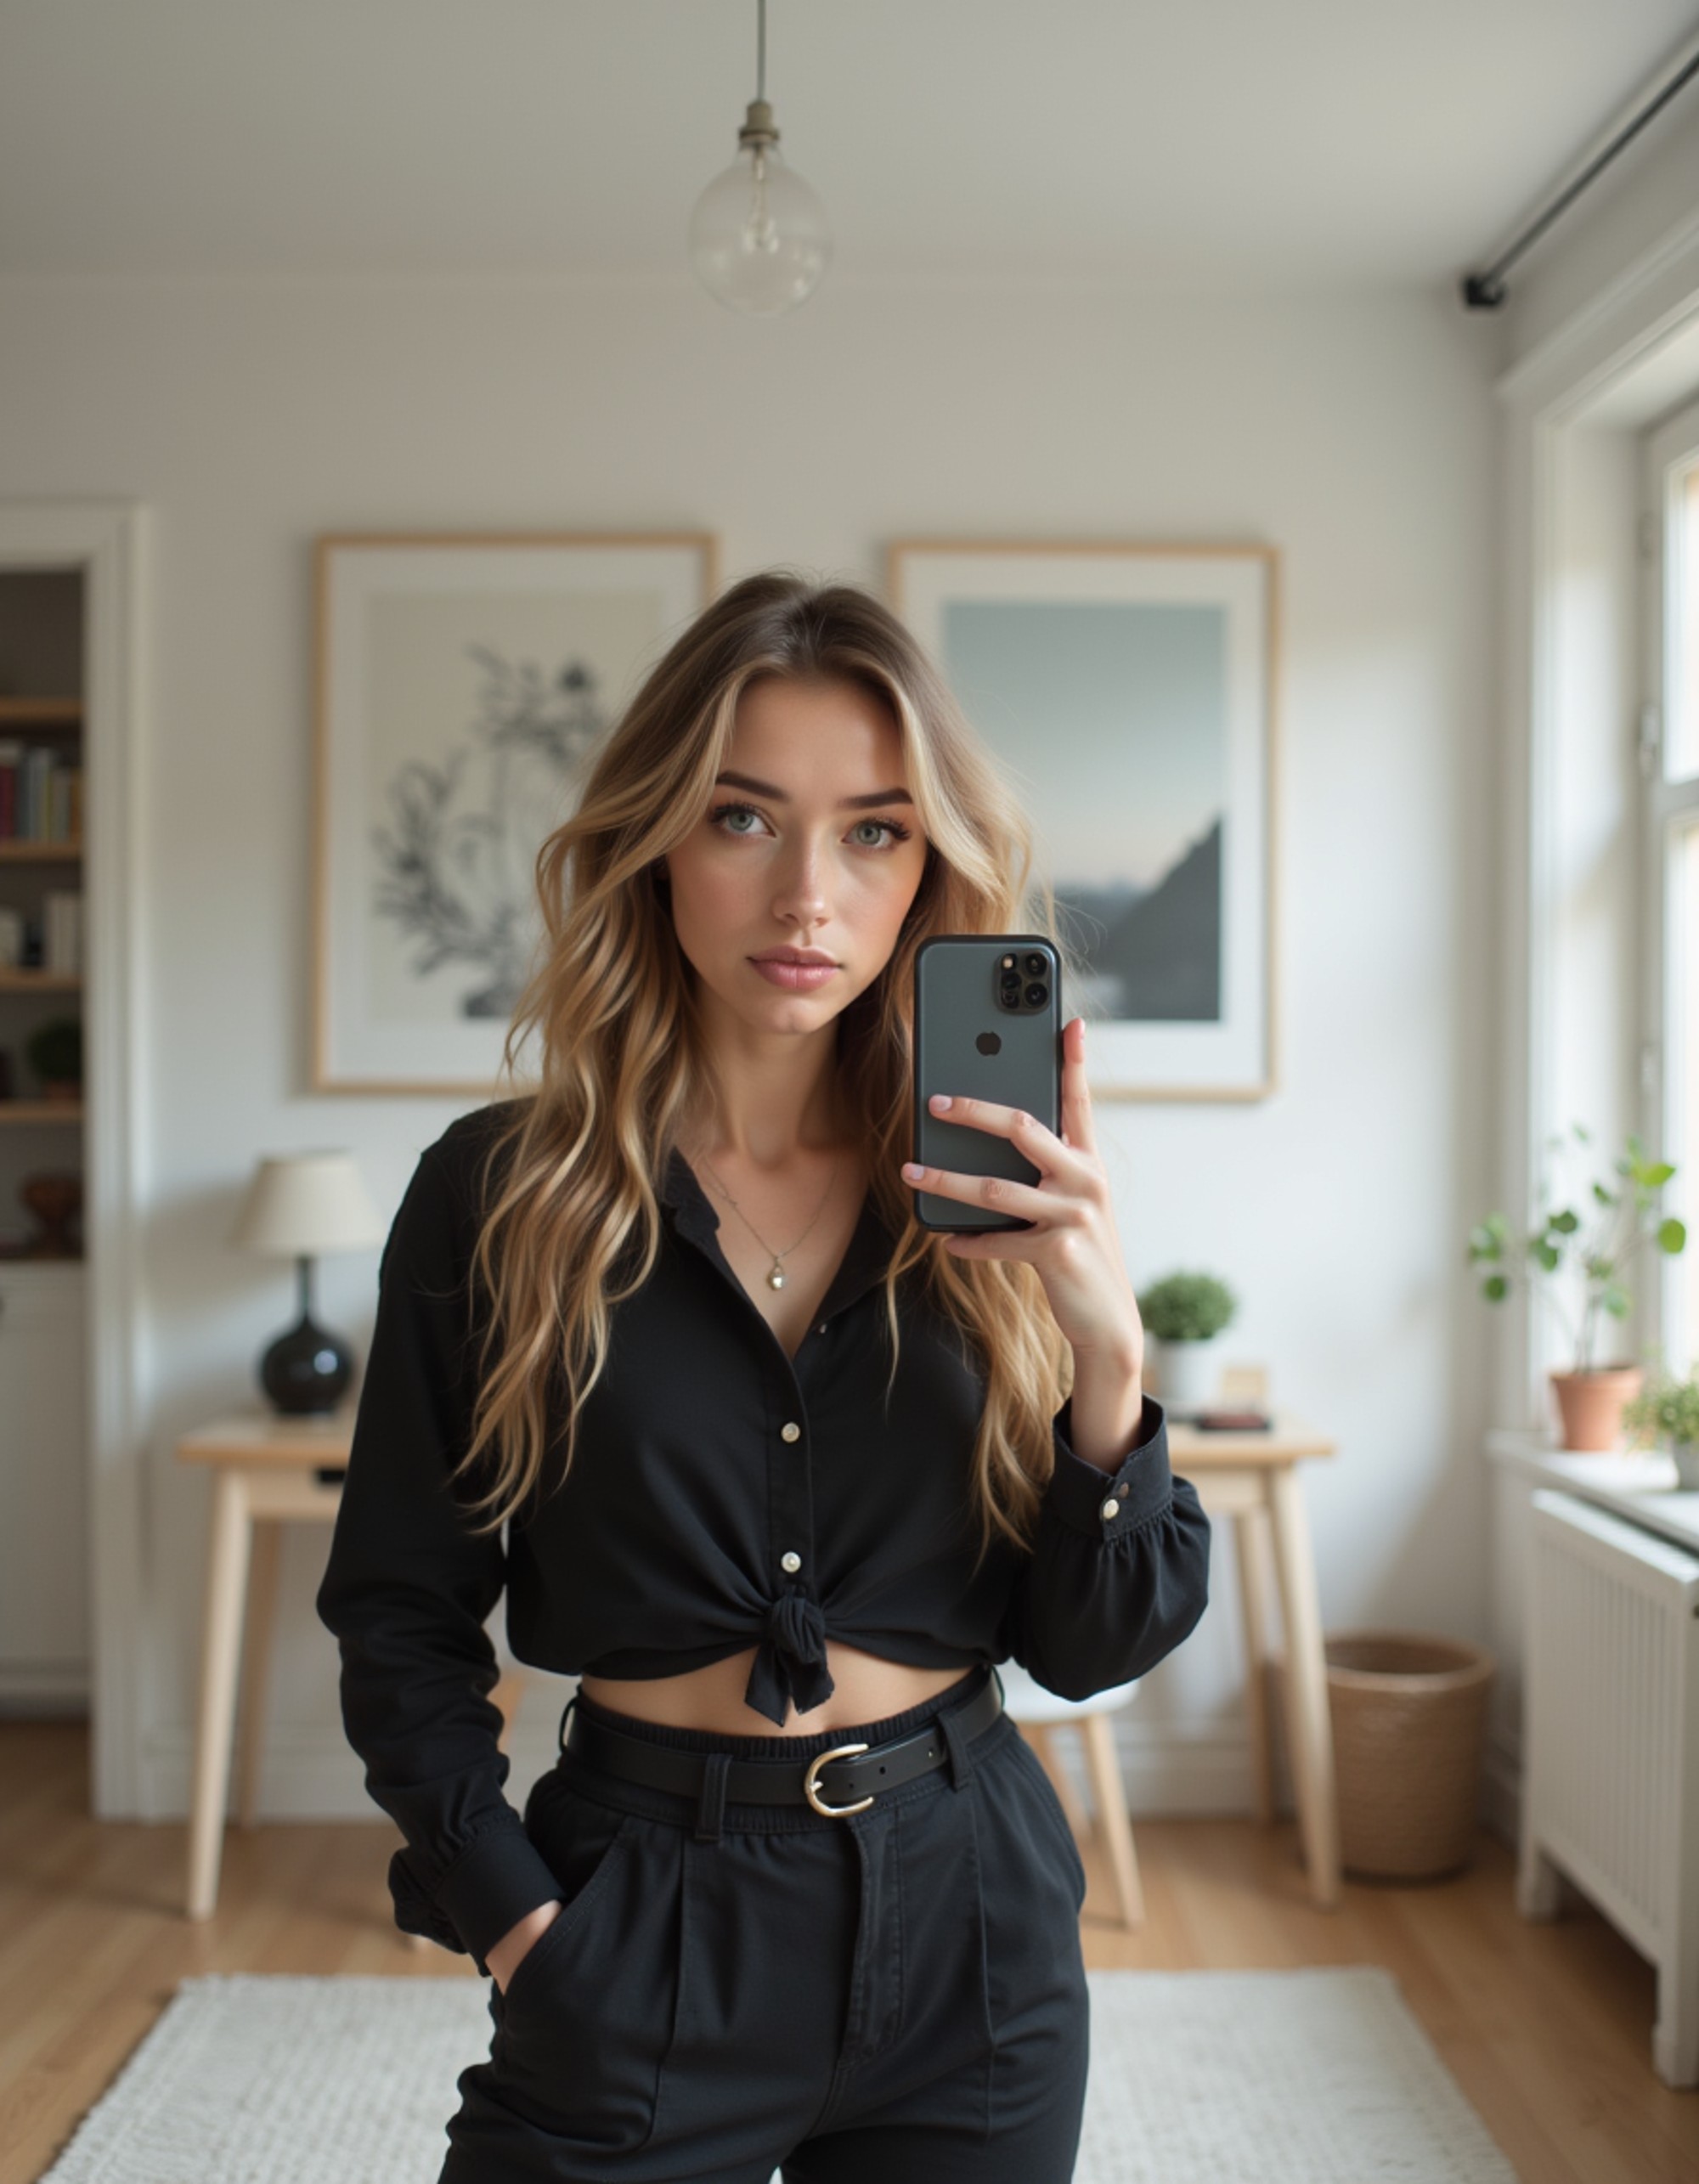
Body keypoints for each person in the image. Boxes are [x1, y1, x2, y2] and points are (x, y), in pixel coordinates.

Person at [314, 568, 1212, 2184]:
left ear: (930, 863)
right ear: (655, 840)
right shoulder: (499, 1194)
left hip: (973, 1935)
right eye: (745, 819)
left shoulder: (1001, 1196)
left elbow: (1093, 1648)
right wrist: (521, 1925)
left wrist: (1106, 1351)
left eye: (874, 829)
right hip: (639, 1920)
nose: (810, 892)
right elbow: (398, 1609)